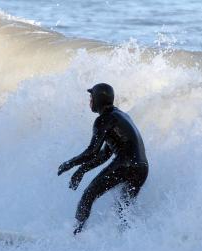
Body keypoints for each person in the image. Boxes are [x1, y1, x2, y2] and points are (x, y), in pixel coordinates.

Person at [58, 83, 149, 235]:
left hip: (126, 164)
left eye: (91, 97)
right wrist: (82, 170)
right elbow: (104, 155)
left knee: (88, 195)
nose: (90, 102)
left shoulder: (103, 120)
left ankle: (74, 235)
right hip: (142, 167)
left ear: (98, 99)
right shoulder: (119, 116)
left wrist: (70, 164)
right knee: (123, 208)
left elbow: (92, 152)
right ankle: (125, 240)